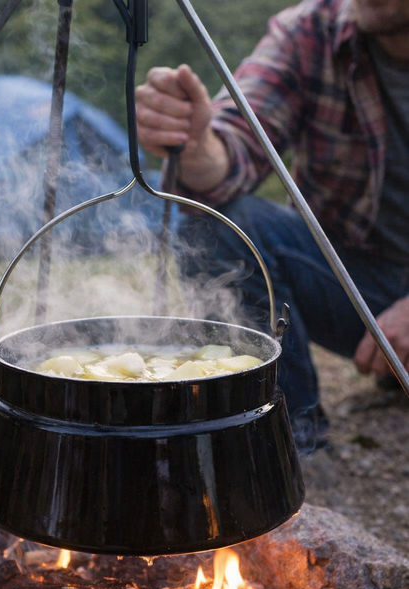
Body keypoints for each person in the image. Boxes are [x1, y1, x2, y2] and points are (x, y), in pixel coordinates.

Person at [136, 0, 409, 451]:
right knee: (227, 225)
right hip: (356, 287)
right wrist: (199, 144)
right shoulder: (311, 31)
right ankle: (281, 442)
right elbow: (239, 138)